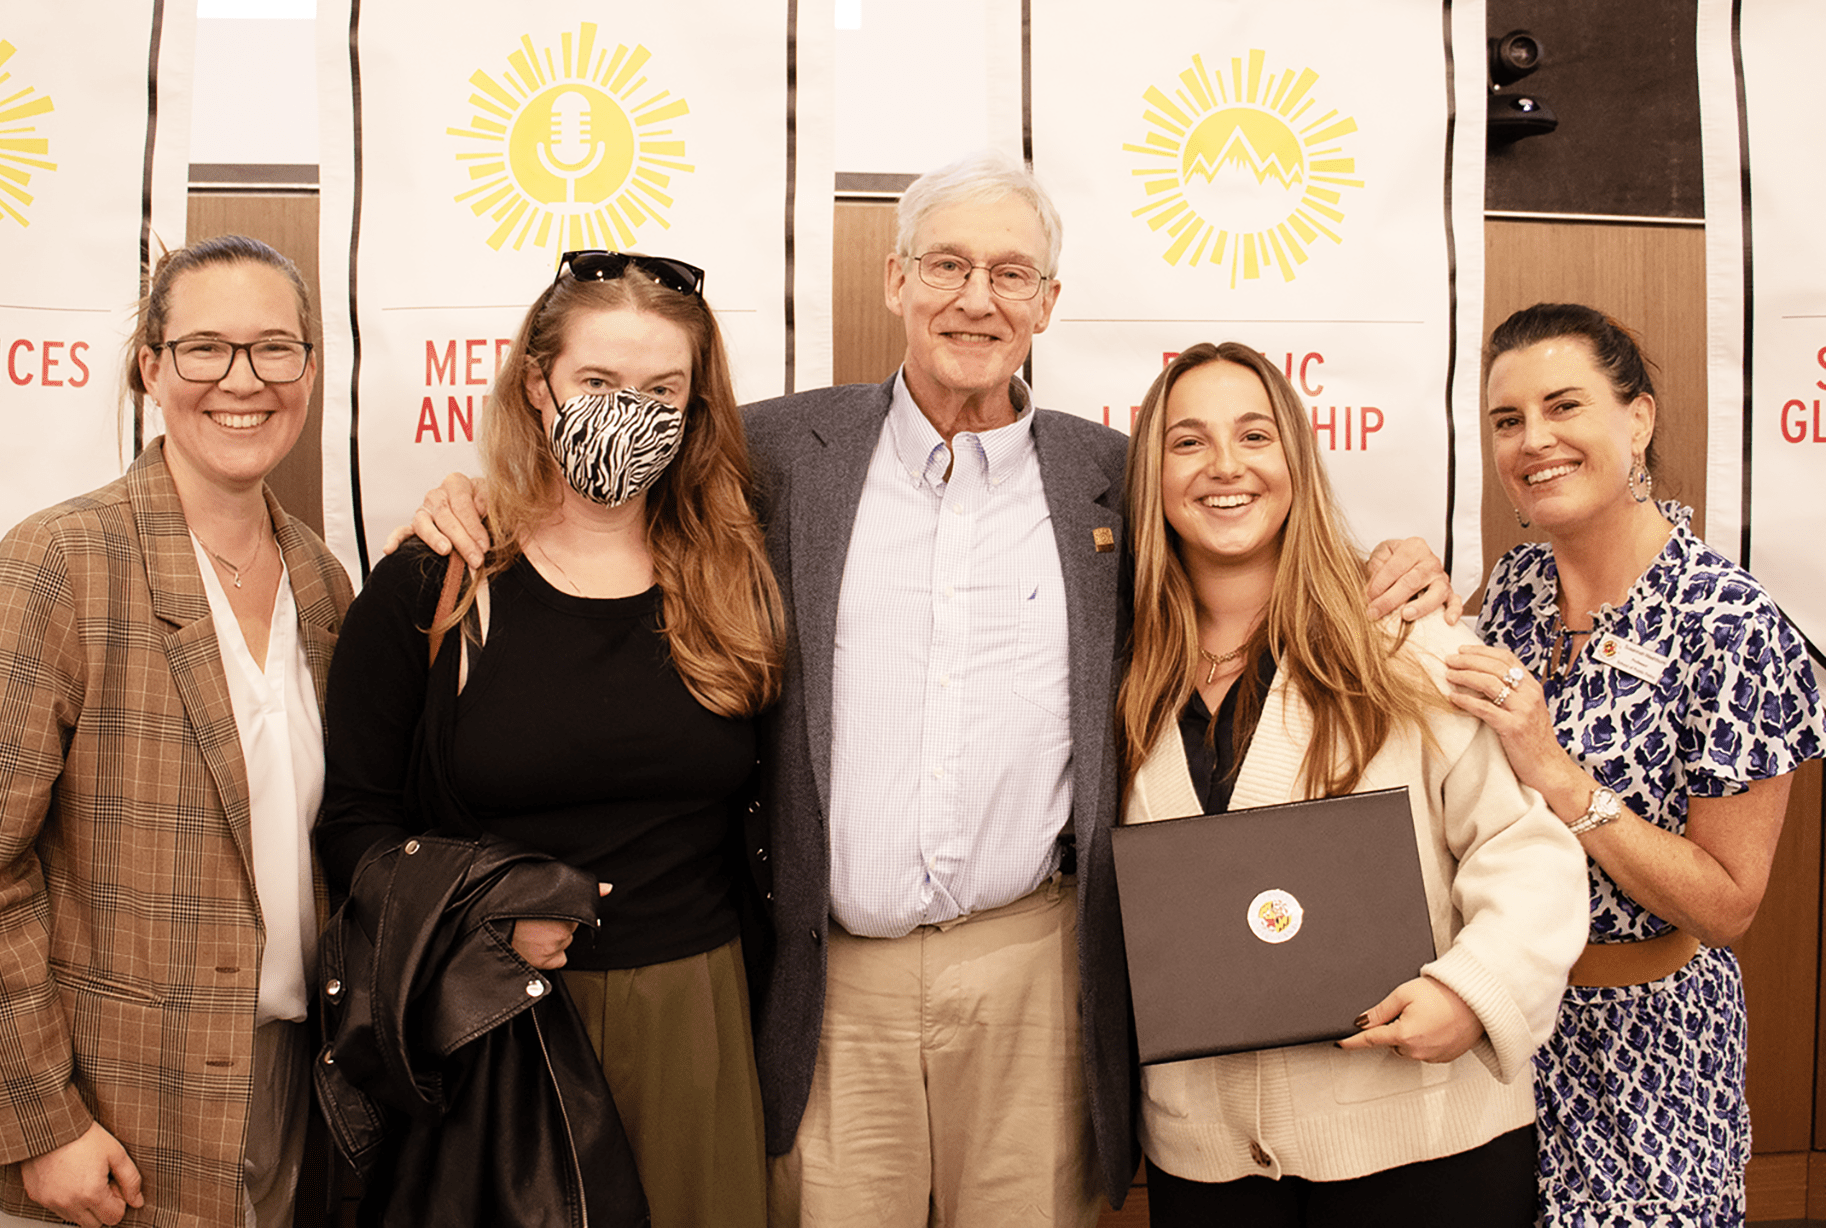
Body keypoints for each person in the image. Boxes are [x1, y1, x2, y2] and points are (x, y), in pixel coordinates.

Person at [408, 155, 1460, 1227]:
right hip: (827, 977)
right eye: (947, 264)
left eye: (1012, 273)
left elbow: (1248, 533)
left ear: (1049, 302)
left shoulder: (1115, 475)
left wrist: (1393, 566)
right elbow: (603, 500)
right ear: (894, 280)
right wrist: (471, 498)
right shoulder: (773, 454)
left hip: (1035, 969)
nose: (977, 297)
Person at [315, 250, 784, 1228]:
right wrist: (477, 914)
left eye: (664, 389)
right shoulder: (435, 585)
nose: (631, 413)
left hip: (693, 1015)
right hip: (495, 1022)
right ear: (537, 385)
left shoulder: (733, 577)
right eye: (599, 383)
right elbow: (354, 822)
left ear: (697, 405)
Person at [0, 234, 350, 1228]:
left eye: (274, 348)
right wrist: (41, 1124)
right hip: (110, 1115)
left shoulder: (325, 583)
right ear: (151, 366)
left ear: (310, 367)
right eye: (205, 347)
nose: (242, 380)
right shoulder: (55, 564)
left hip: (288, 1088)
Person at [1117, 341, 1588, 1226]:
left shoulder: (1411, 647)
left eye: (1255, 435)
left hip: (1424, 1151)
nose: (1225, 466)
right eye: (1187, 442)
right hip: (1207, 1164)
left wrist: (1474, 992)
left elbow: (1526, 851)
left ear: (1297, 458)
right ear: (1150, 475)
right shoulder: (1119, 675)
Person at [1443, 303, 1825, 1226]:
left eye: (1564, 406)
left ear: (1639, 420)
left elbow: (1727, 904)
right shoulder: (1517, 588)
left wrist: (1558, 771)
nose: (1534, 441)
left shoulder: (1730, 624)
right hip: (1498, 1026)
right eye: (1507, 420)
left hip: (1650, 1049)